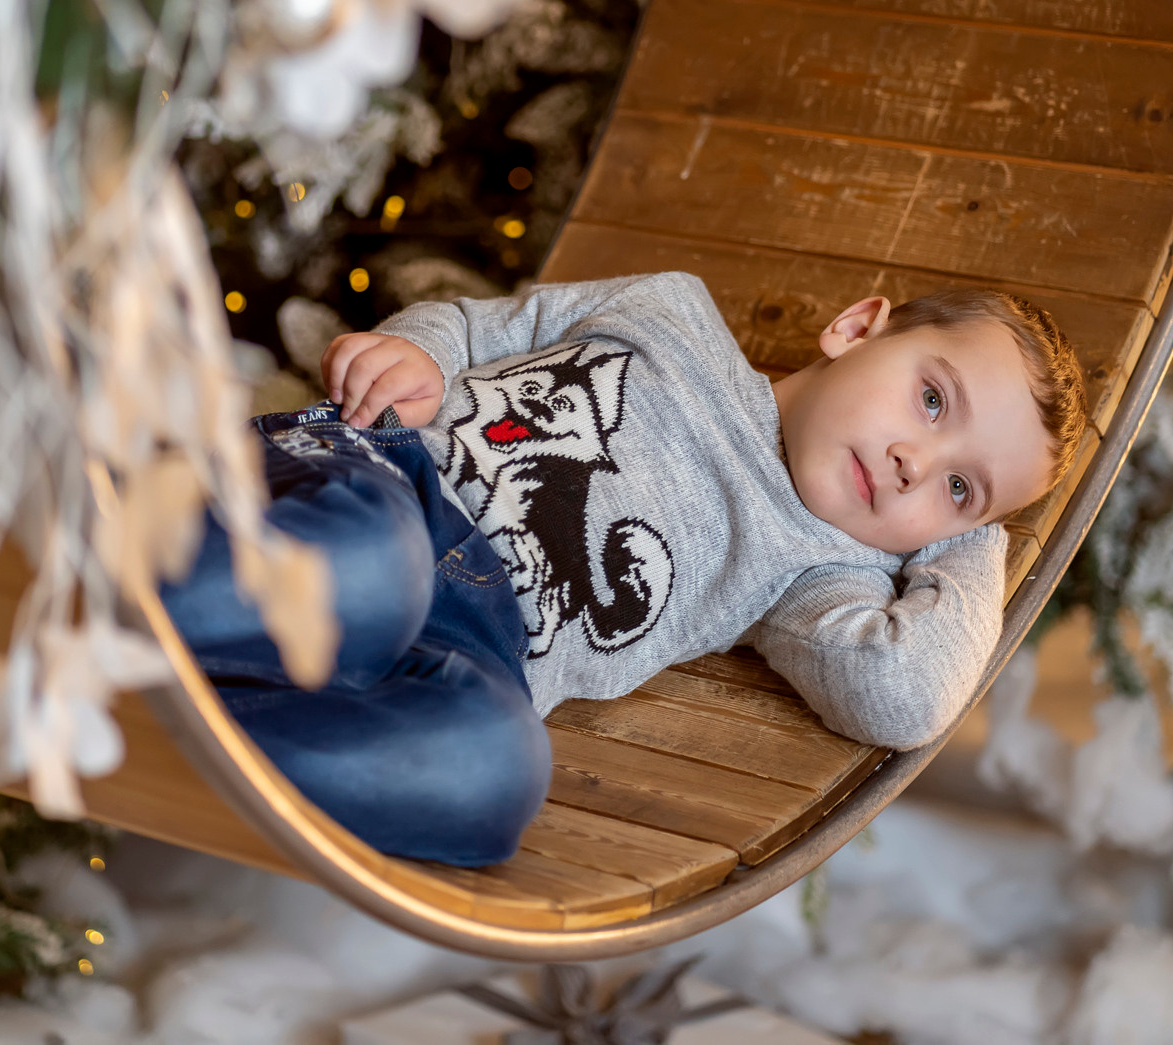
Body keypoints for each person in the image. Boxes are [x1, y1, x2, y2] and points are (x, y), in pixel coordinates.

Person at [156, 273, 1087, 865]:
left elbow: (910, 690)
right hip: (388, 484)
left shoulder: (814, 572)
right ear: (855, 325)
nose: (912, 463)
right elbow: (478, 325)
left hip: (478, 644)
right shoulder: (671, 311)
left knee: (494, 775)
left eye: (958, 486)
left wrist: (974, 536)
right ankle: (124, 587)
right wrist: (417, 356)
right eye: (931, 399)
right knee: (373, 571)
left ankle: (163, 725)